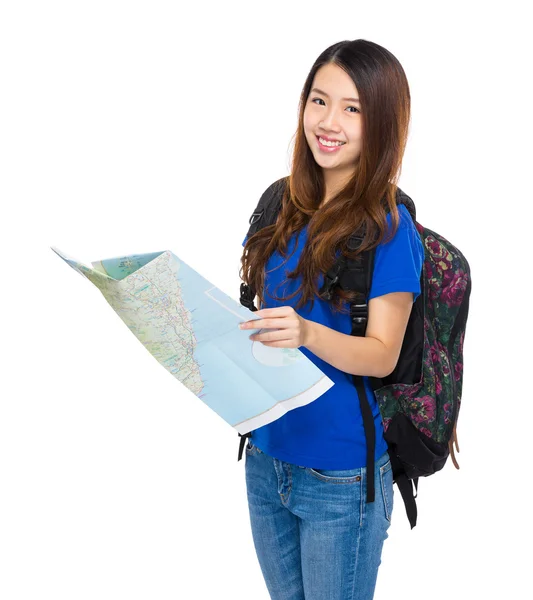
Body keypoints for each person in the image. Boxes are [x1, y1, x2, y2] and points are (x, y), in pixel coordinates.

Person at [238, 39, 424, 600]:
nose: (329, 121)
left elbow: (382, 352)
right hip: (268, 461)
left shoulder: (391, 229)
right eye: (319, 101)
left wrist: (309, 333)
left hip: (340, 477)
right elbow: (259, 318)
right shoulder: (281, 205)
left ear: (382, 124)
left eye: (352, 109)